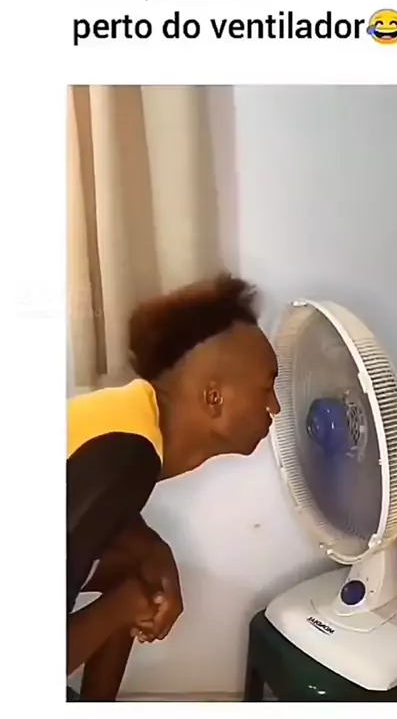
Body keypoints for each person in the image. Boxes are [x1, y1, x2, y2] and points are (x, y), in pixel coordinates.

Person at [67, 273, 280, 701]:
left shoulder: (131, 422)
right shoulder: (124, 456)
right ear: (214, 399)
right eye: (266, 387)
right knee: (134, 587)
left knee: (140, 571)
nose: (275, 406)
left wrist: (154, 550)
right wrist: (124, 605)